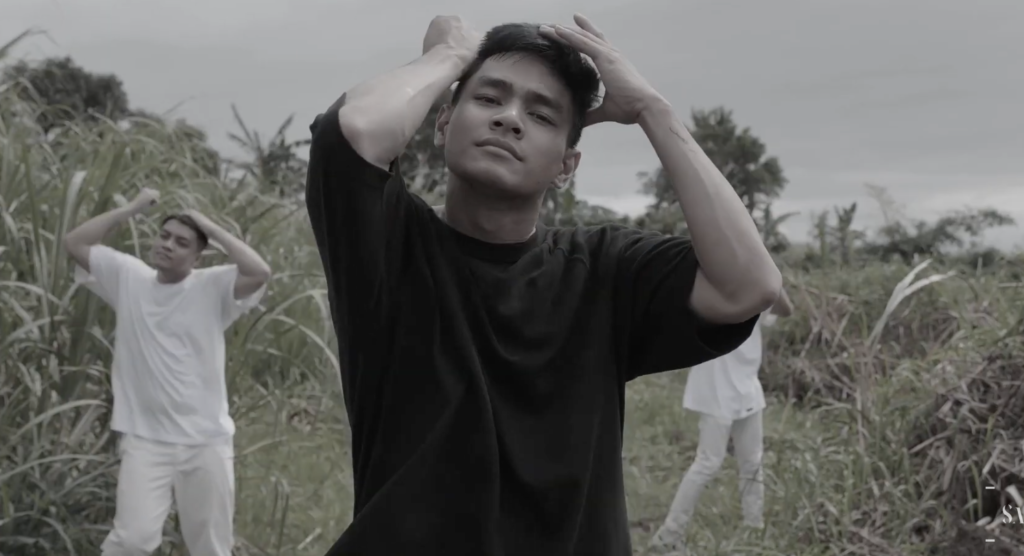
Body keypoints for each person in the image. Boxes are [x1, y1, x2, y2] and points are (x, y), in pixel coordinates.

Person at [304, 13, 782, 556]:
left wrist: (653, 109)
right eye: (488, 99)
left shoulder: (603, 271)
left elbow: (748, 285)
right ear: (442, 124)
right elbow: (356, 133)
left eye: (541, 114)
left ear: (566, 165)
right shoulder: (389, 246)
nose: (510, 119)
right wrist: (450, 56)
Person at [63, 188, 271, 556]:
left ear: (197, 255)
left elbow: (259, 270)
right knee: (131, 541)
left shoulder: (213, 286)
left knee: (210, 547)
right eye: (164, 236)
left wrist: (210, 226)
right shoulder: (128, 277)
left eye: (181, 242)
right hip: (146, 440)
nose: (168, 245)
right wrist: (130, 209)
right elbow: (75, 241)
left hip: (206, 441)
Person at [649, 287, 794, 555]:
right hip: (716, 390)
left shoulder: (756, 292)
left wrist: (771, 277)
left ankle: (754, 528)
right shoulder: (712, 294)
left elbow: (786, 309)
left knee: (753, 463)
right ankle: (669, 534)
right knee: (707, 462)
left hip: (747, 388)